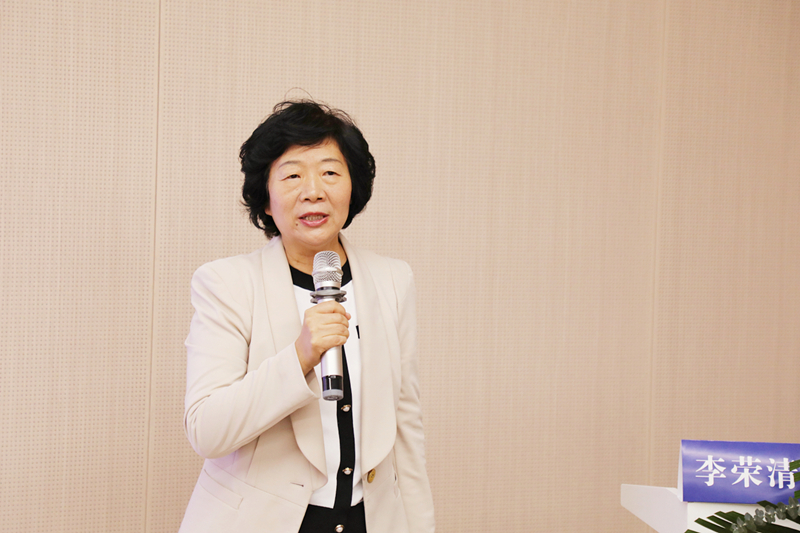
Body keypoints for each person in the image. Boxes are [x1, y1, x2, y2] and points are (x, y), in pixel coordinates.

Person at [179, 100, 435, 533]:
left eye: (330, 173)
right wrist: (300, 356)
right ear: (265, 199)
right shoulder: (227, 284)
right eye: (293, 175)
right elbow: (207, 430)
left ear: (353, 189)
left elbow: (406, 426)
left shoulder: (393, 279)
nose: (313, 190)